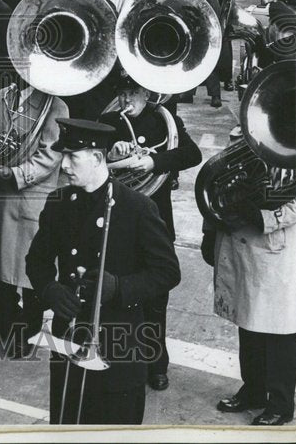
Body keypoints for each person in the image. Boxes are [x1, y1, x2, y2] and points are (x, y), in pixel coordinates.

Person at [25, 118, 181, 425]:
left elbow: (167, 272)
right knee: (68, 422)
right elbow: (37, 261)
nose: (64, 165)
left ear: (98, 158)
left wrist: (120, 288)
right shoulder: (58, 203)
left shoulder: (136, 207)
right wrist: (49, 289)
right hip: (69, 335)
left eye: (72, 157)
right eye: (63, 155)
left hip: (120, 342)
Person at [98, 74, 201, 391]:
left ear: (146, 93)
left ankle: (157, 365)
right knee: (116, 294)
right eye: (123, 92)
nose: (127, 99)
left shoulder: (164, 119)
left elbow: (192, 154)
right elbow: (91, 163)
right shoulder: (108, 120)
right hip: (117, 219)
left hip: (155, 219)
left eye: (133, 92)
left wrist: (154, 162)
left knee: (155, 298)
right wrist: (113, 156)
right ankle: (117, 359)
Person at [204, 168, 296, 426]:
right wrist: (209, 231)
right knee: (248, 320)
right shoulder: (241, 140)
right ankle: (253, 390)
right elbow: (214, 186)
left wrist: (264, 217)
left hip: (272, 247)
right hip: (236, 241)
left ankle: (281, 403)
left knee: (280, 328)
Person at [0, 77, 68, 359]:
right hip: (0, 195)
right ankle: (8, 328)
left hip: (31, 197)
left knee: (31, 274)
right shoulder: (3, 95)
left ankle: (25, 334)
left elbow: (50, 155)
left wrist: (15, 174)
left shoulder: (56, 106)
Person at [177, 0, 223, 107]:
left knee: (206, 63)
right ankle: (189, 93)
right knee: (191, 60)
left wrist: (211, 29)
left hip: (203, 29)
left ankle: (215, 95)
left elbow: (213, 7)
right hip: (192, 27)